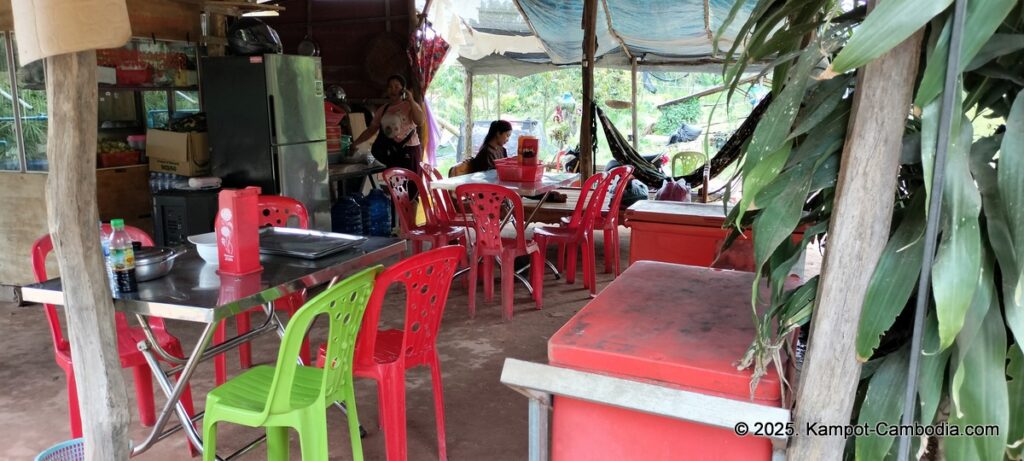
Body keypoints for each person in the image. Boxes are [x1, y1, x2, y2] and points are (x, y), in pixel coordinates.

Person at [353, 74, 425, 173]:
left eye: (396, 86)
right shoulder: (383, 110)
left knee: (412, 185)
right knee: (394, 185)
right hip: (392, 153)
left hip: (410, 150)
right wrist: (355, 143)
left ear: (403, 89)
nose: (393, 89)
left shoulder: (409, 106)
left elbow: (420, 121)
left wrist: (411, 100)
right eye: (390, 87)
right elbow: (370, 131)